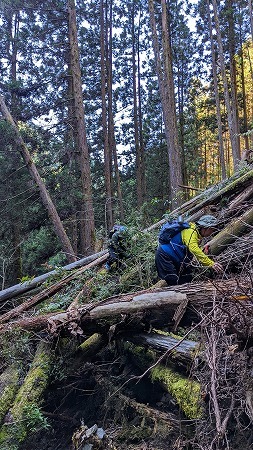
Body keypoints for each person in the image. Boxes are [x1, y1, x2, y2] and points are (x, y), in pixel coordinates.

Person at [155, 215, 223, 286]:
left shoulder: (196, 233)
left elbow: (191, 248)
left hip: (175, 258)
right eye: (212, 229)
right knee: (174, 282)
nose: (212, 232)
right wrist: (211, 263)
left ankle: (185, 296)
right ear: (205, 228)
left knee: (187, 278)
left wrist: (203, 249)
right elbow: (194, 249)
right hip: (164, 256)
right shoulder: (190, 231)